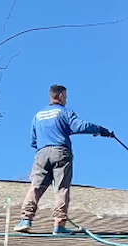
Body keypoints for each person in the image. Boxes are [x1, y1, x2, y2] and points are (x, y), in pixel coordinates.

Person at [15, 84, 112, 234]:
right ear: (60, 96)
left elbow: (32, 142)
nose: (66, 100)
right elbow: (80, 126)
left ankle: (25, 220)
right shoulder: (64, 112)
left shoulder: (38, 116)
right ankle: (59, 225)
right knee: (61, 189)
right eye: (65, 97)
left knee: (35, 187)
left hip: (41, 154)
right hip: (60, 152)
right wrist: (100, 130)